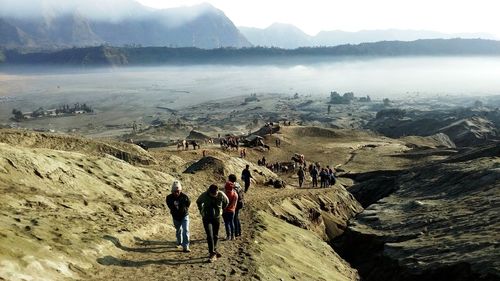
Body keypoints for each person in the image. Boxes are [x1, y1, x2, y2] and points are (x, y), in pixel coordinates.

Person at [196, 184, 229, 262]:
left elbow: (226, 202)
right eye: (213, 194)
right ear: (209, 192)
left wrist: (221, 210)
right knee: (209, 235)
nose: (214, 195)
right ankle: (212, 253)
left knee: (215, 235)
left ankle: (214, 250)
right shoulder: (204, 195)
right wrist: (201, 211)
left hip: (216, 218)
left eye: (216, 194)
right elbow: (198, 202)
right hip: (207, 218)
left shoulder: (221, 194)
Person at [166, 180, 191, 252]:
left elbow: (188, 203)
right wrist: (174, 210)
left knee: (185, 230)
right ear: (172, 191)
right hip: (175, 217)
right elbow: (169, 205)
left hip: (184, 215)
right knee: (178, 230)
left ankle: (186, 246)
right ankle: (179, 242)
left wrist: (184, 209)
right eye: (175, 191)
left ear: (180, 190)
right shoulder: (169, 198)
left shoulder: (184, 197)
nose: (176, 193)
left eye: (178, 191)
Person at [223, 175, 239, 240]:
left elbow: (224, 203)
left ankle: (228, 236)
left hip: (226, 210)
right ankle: (233, 236)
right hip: (233, 210)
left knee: (227, 223)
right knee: (232, 222)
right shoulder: (235, 193)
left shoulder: (226, 194)